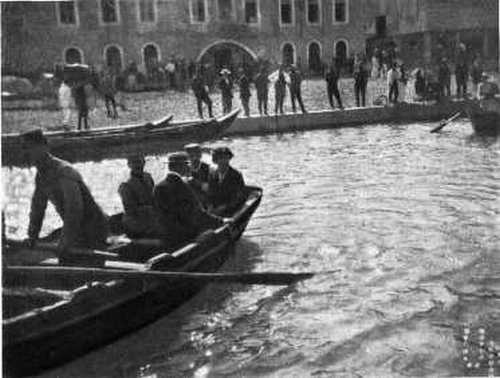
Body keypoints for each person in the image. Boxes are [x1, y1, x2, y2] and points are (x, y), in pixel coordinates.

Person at [22, 129, 108, 258]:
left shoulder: (64, 171)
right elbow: (37, 209)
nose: (28, 153)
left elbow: (74, 209)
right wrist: (32, 236)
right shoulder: (41, 176)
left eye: (32, 148)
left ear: (45, 146)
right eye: (25, 149)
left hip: (94, 228)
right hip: (77, 230)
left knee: (70, 260)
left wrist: (65, 241)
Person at [153, 152, 224, 248]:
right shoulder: (181, 185)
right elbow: (196, 212)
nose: (190, 167)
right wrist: (221, 221)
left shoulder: (159, 186)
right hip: (181, 236)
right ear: (179, 167)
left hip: (167, 233)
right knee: (211, 234)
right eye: (187, 164)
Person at [118, 154, 157, 237]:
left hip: (150, 217)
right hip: (135, 222)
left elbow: (154, 197)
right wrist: (151, 209)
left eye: (140, 162)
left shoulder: (148, 177)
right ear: (129, 165)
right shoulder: (125, 185)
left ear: (144, 163)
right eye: (134, 163)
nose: (138, 165)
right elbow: (130, 209)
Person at [208, 147, 245, 217]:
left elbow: (238, 197)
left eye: (226, 158)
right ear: (215, 160)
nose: (224, 161)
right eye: (220, 158)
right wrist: (210, 207)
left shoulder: (236, 175)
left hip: (231, 210)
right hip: (215, 209)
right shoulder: (212, 174)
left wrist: (224, 207)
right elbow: (210, 193)